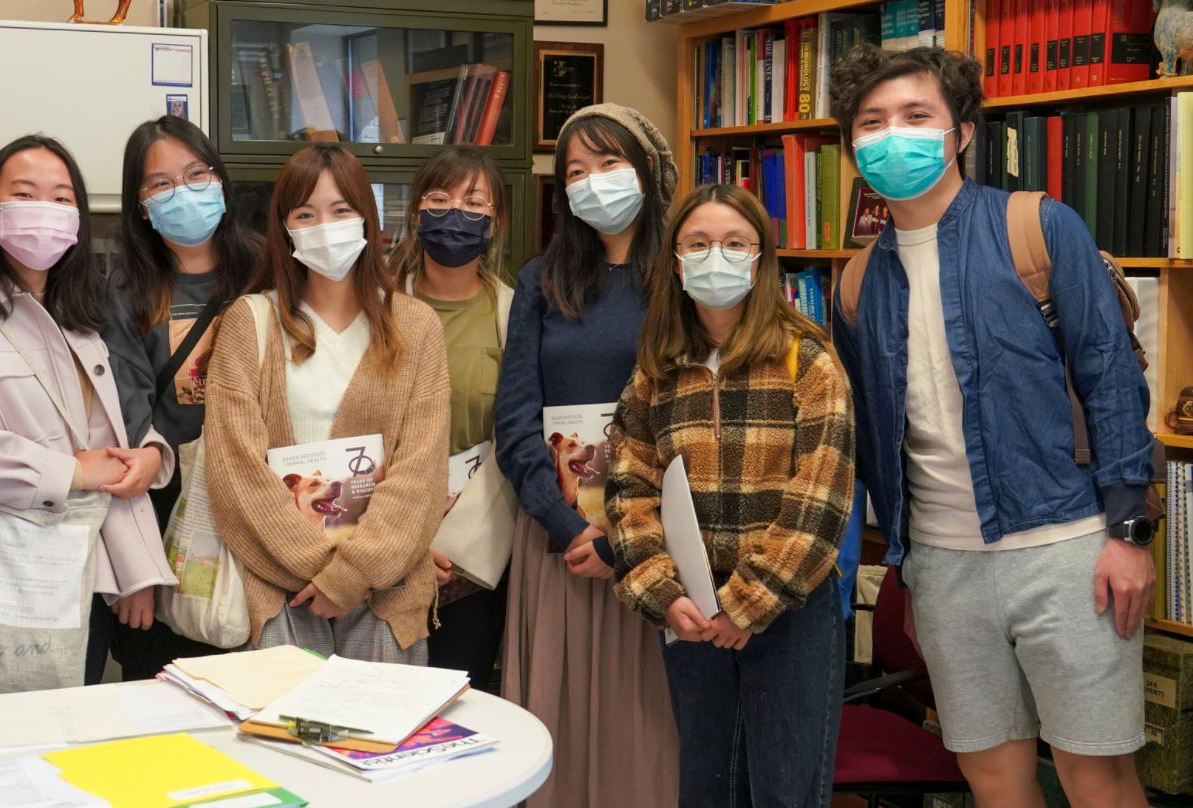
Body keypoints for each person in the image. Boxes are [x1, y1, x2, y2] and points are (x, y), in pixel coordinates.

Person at [829, 45, 1156, 807]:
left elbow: (1111, 378)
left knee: (1095, 773)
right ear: (851, 145)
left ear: (962, 133)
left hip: (1070, 550)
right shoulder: (856, 281)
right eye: (872, 123)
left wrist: (1129, 535)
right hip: (943, 568)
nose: (892, 136)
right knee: (992, 775)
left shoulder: (1037, 227)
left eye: (916, 116)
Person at [608, 183, 855, 807]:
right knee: (706, 787)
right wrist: (661, 593)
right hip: (690, 613)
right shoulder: (659, 365)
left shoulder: (808, 357)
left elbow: (820, 501)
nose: (715, 255)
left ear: (760, 258)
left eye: (733, 243)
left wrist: (746, 605)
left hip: (790, 611)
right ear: (675, 260)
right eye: (698, 243)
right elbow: (629, 486)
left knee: (783, 791)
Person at [0, 134, 174, 697]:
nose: (44, 212)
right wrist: (69, 472)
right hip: (1, 574)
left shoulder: (86, 314)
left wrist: (136, 571)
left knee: (78, 745)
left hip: (86, 573)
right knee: (4, 744)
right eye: (25, 194)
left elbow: (116, 449)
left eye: (61, 198)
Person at [493, 103, 679, 805]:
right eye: (575, 171)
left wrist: (626, 541)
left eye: (609, 163)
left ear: (648, 170)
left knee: (646, 732)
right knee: (555, 725)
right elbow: (515, 423)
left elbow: (697, 416)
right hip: (559, 542)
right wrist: (572, 528)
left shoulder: (685, 275)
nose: (593, 182)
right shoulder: (543, 281)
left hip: (658, 544)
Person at [203, 144, 449, 663]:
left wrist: (355, 573)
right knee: (281, 741)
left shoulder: (416, 326)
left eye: (341, 211)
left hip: (386, 590)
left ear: (368, 218)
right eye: (305, 214)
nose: (325, 225)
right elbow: (236, 474)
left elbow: (421, 474)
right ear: (284, 228)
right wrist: (321, 570)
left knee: (379, 741)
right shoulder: (249, 324)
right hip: (281, 588)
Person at [98, 116, 261, 680]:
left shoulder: (267, 273)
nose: (183, 192)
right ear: (141, 204)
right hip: (163, 517)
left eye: (196, 174)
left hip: (258, 512)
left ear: (219, 181)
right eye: (161, 184)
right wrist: (135, 567)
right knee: (158, 697)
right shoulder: (122, 289)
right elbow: (123, 427)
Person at [391, 147, 516, 692]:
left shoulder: (514, 314)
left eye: (474, 201)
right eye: (439, 198)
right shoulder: (377, 306)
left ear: (497, 220)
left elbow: (516, 437)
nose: (455, 212)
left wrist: (455, 542)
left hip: (474, 556)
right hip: (383, 546)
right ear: (416, 213)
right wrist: (407, 537)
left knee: (459, 714)